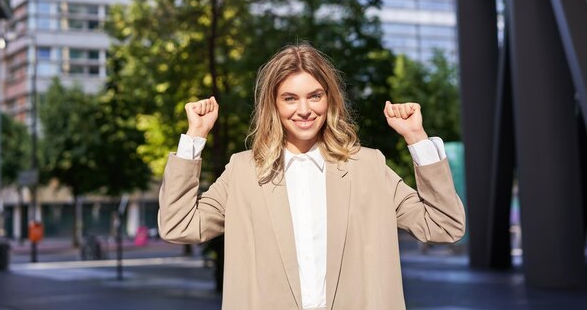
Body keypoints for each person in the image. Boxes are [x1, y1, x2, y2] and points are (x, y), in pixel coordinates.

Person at [158, 44, 465, 310]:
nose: (304, 110)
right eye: (290, 98)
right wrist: (195, 135)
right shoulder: (243, 171)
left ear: (328, 99)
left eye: (314, 96)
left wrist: (417, 139)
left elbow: (444, 226)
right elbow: (178, 226)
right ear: (273, 105)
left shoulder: (368, 167)